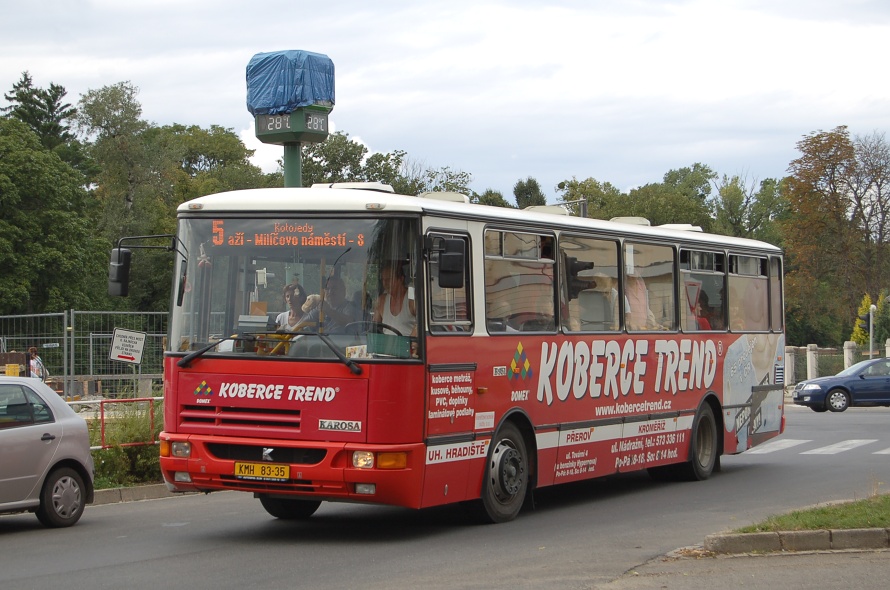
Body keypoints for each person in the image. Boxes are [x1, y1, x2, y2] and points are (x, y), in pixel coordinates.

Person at [373, 264, 416, 336]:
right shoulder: (381, 301)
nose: (385, 283)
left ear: (401, 279)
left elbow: (422, 323)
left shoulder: (411, 299)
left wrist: (411, 343)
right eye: (383, 280)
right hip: (386, 345)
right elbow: (374, 328)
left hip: (407, 345)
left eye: (388, 279)